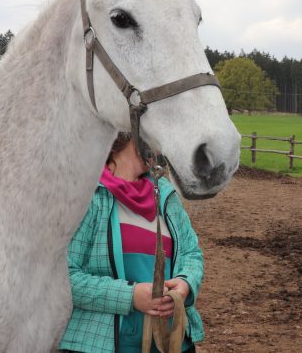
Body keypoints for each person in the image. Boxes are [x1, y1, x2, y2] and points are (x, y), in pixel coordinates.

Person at [59, 132, 204, 353]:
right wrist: (130, 297)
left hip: (171, 344)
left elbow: (191, 254)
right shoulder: (88, 195)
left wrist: (185, 285)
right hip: (104, 345)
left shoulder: (165, 194)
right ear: (121, 136)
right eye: (149, 134)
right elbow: (64, 278)